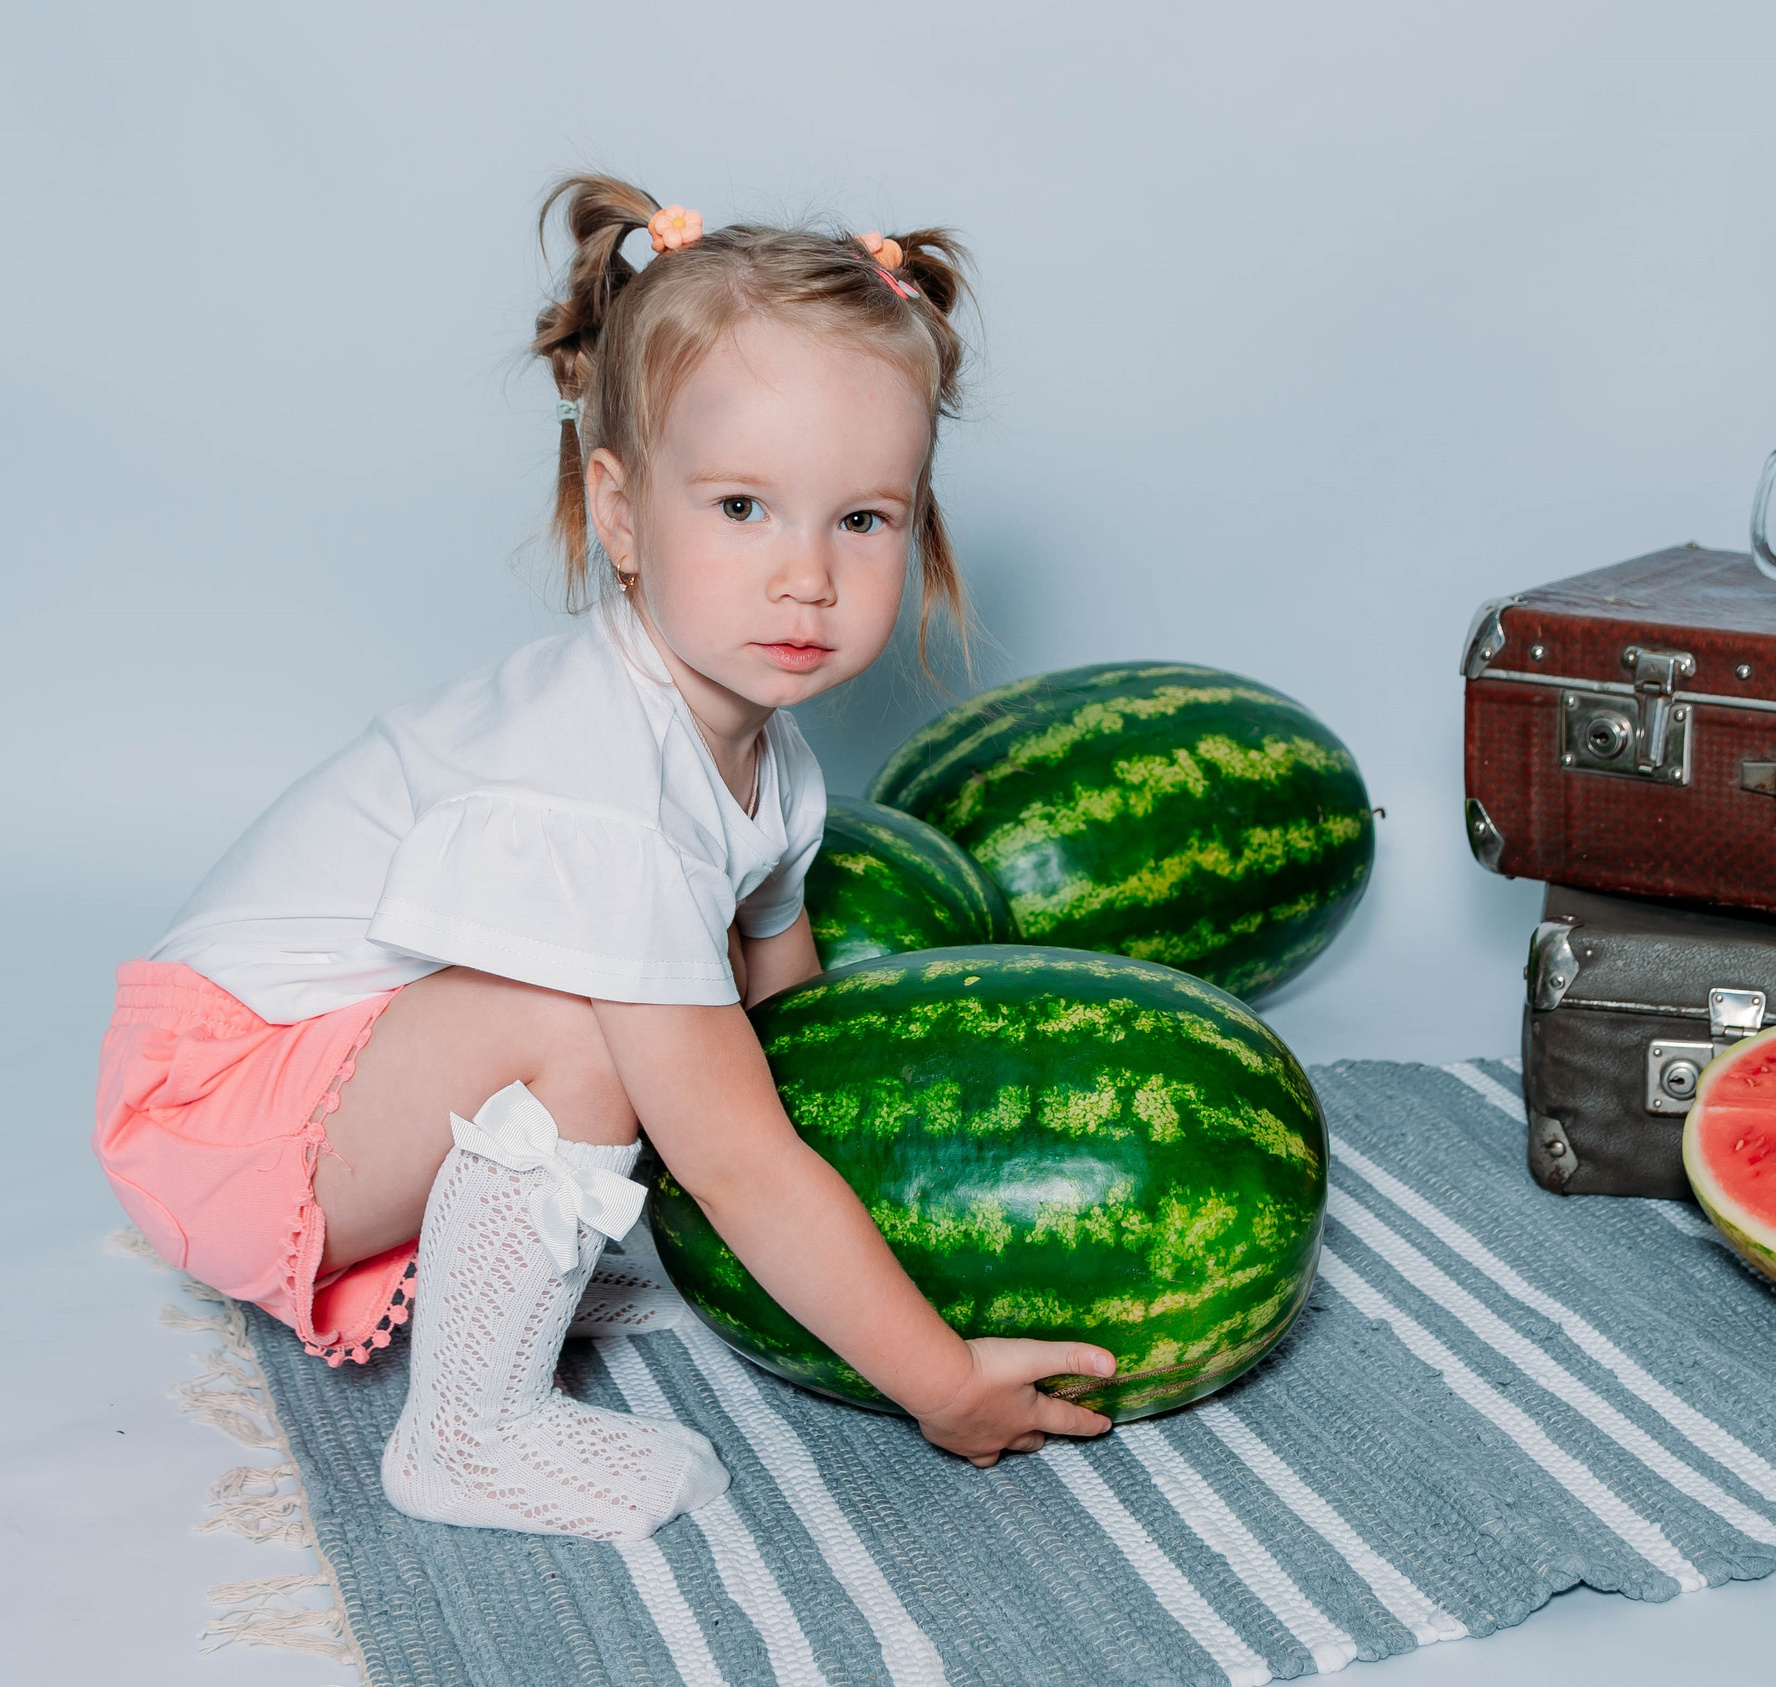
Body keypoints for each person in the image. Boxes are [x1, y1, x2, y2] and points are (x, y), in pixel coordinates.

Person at [91, 175, 1114, 1542]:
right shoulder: (608, 795)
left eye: (861, 520)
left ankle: (517, 1263)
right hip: (223, 1113)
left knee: (665, 1031)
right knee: (587, 1023)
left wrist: (836, 1241)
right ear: (622, 515)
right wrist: (936, 1381)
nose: (805, 575)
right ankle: (471, 1432)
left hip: (346, 1074)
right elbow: (738, 1150)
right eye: (743, 506)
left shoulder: (768, 756)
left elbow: (780, 1030)